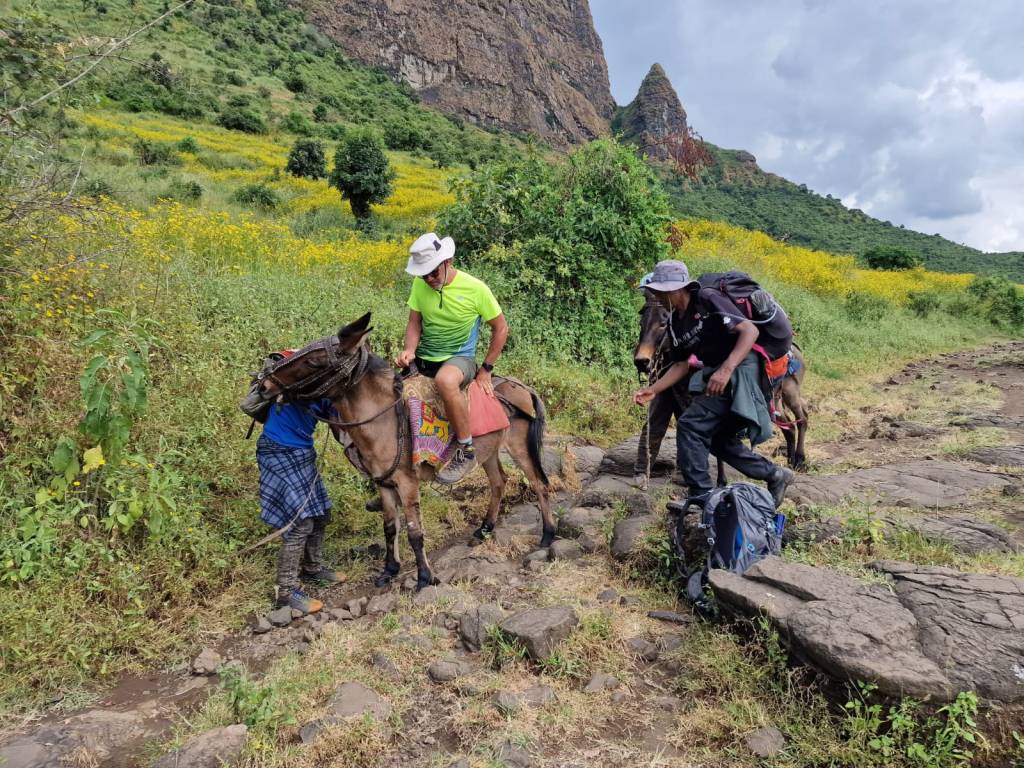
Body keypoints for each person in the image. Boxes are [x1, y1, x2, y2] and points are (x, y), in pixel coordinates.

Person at [633, 260, 795, 507]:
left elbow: (749, 332)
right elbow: (681, 364)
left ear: (677, 289)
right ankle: (775, 475)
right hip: (720, 372)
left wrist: (726, 370)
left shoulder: (707, 299)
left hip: (742, 368)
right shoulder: (677, 322)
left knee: (690, 425)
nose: (657, 296)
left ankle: (701, 495)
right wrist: (652, 390)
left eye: (660, 291)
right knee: (717, 438)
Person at [395, 232, 508, 484]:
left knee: (445, 381)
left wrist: (486, 369)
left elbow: (500, 328)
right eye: (423, 275)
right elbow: (414, 322)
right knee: (388, 394)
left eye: (433, 272)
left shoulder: (476, 289)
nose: (429, 279)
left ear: (448, 261)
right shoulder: (420, 285)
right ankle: (397, 471)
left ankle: (466, 449)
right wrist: (409, 350)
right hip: (425, 358)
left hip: (460, 358)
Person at [257, 396, 347, 615]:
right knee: (300, 524)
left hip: (301, 451)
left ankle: (312, 569)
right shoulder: (307, 381)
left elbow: (339, 422)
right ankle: (285, 593)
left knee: (322, 514)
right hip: (278, 449)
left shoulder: (330, 390)